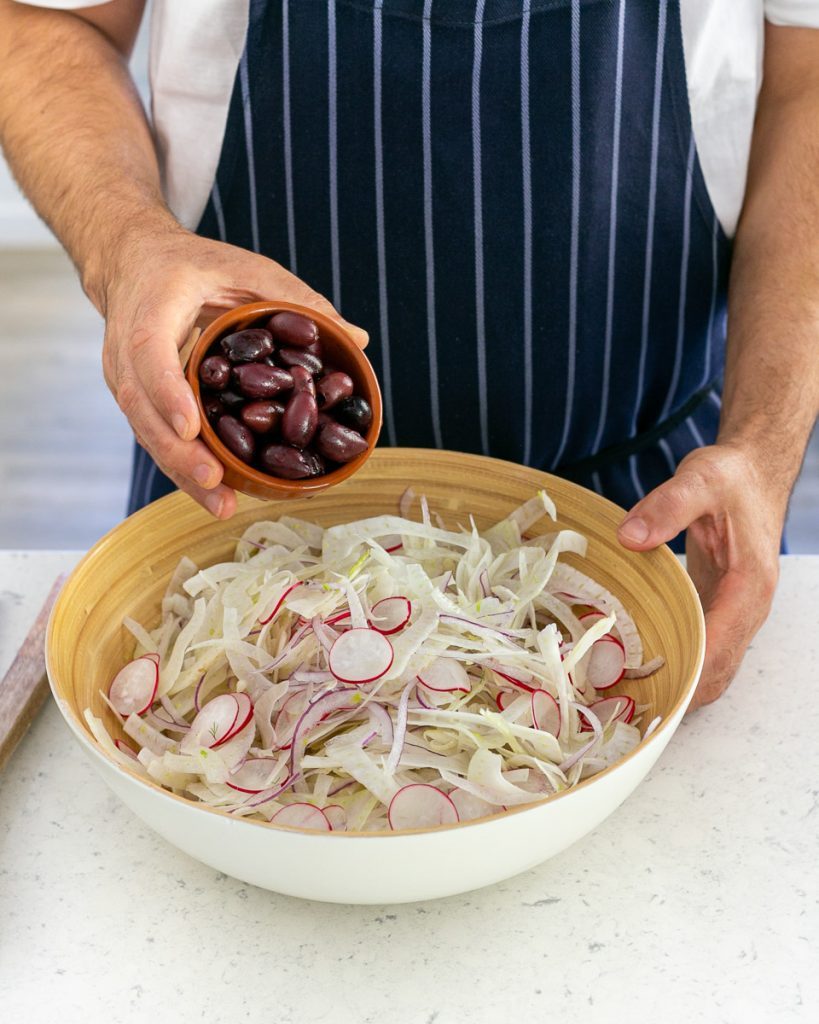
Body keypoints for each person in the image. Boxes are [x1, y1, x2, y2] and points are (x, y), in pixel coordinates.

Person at [1, 0, 817, 711]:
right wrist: (128, 244)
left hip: (656, 515)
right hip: (241, 517)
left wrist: (762, 447)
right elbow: (45, 19)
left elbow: (808, 76)